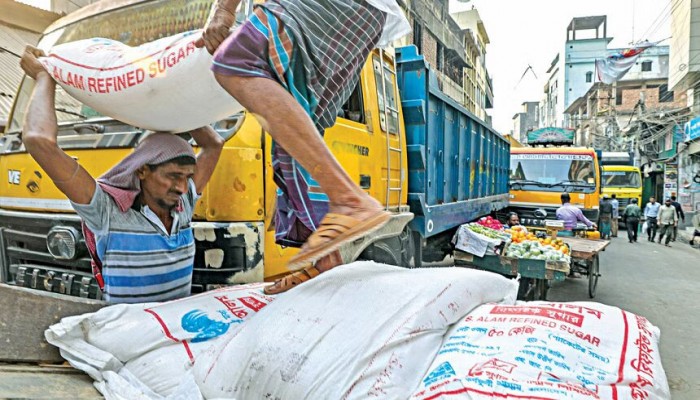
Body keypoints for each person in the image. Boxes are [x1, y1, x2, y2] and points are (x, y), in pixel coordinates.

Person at [197, 0, 411, 294]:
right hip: (364, 15)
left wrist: (224, 10)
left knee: (237, 61)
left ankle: (349, 200)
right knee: (293, 134)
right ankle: (325, 264)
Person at [20, 47, 224, 303]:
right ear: (142, 171)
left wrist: (172, 100)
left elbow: (214, 144)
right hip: (126, 336)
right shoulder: (108, 211)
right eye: (173, 176)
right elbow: (39, 141)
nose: (183, 187)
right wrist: (43, 77)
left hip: (170, 331)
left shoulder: (183, 204)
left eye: (187, 176)